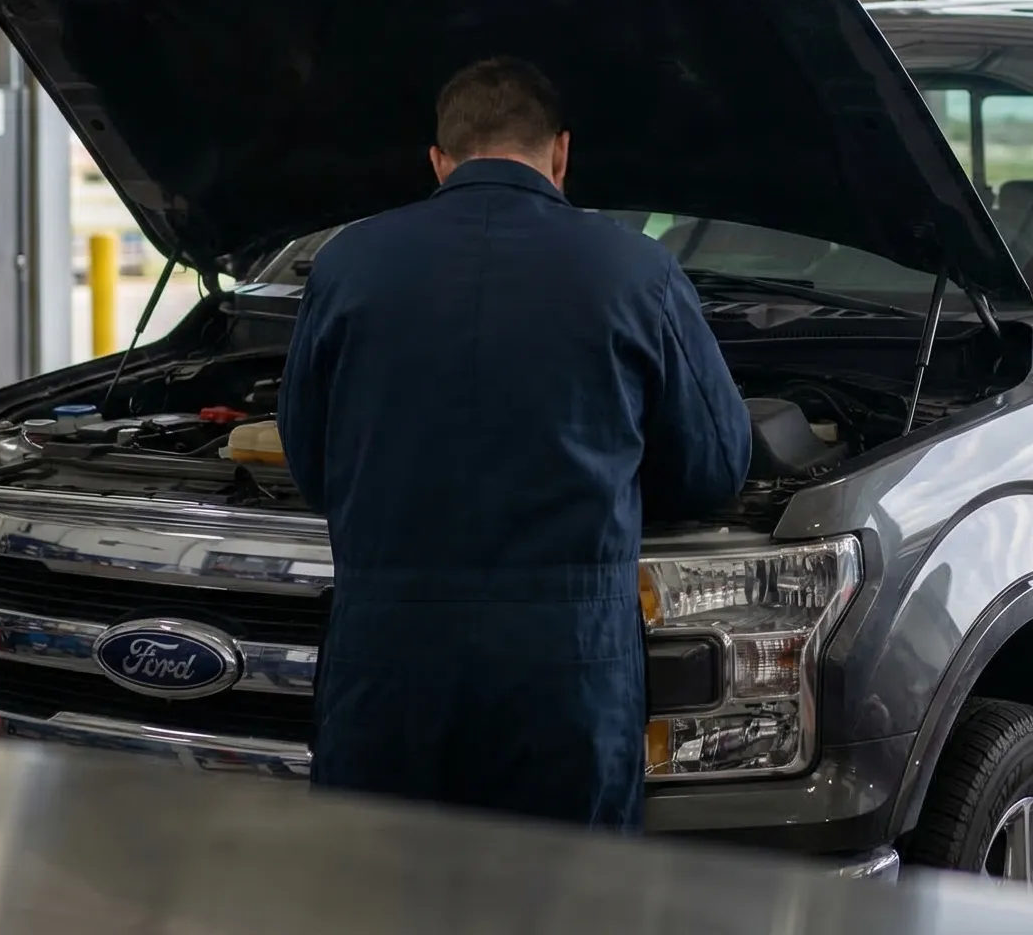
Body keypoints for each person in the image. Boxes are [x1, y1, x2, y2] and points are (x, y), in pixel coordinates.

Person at [277, 57, 752, 830]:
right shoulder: (639, 271)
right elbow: (715, 468)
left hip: (386, 657)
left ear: (437, 161)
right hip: (567, 665)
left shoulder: (346, 265)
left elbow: (311, 462)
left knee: (375, 892)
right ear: (560, 153)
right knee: (566, 900)